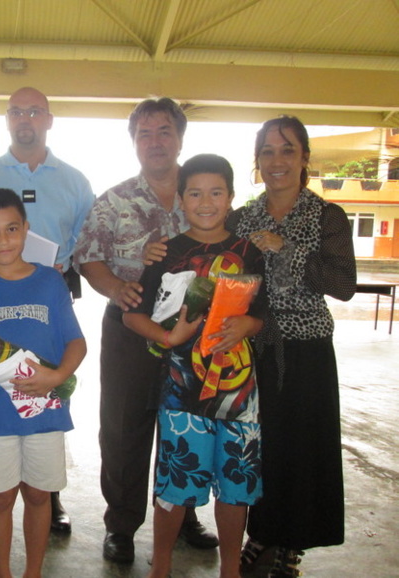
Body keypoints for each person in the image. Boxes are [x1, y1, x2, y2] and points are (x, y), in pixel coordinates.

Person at [73, 97, 219, 564]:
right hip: (131, 331)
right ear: (134, 141)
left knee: (189, 426)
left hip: (194, 332)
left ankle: (184, 515)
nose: (155, 142)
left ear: (179, 138)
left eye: (164, 132)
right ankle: (122, 525)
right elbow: (88, 257)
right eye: (145, 133)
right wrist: (116, 286)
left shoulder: (203, 196)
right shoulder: (113, 200)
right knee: (123, 429)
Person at [123, 154, 267, 578]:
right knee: (174, 485)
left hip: (240, 393)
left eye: (216, 192)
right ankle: (161, 565)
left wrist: (250, 323)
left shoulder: (248, 252)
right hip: (181, 392)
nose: (206, 202)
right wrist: (168, 338)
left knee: (235, 485)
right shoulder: (166, 253)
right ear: (181, 200)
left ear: (232, 197)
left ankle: (230, 569)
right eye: (196, 193)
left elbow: (267, 312)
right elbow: (130, 315)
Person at [0, 86, 95, 535]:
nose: (26, 118)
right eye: (17, 111)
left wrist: (59, 267)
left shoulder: (75, 180)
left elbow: (83, 237)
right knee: (0, 390)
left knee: (45, 394)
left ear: (49, 119)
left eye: (35, 111)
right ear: (6, 119)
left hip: (50, 292)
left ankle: (49, 498)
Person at [231, 116, 356, 577]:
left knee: (303, 448)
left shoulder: (327, 215)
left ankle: (292, 542)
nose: (277, 160)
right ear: (257, 162)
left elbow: (343, 283)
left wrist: (288, 248)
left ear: (305, 157)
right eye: (267, 151)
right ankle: (262, 532)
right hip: (253, 347)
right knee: (261, 446)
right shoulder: (242, 217)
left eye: (287, 149)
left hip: (306, 351)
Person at [0, 188, 87, 577]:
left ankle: (32, 571)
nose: (3, 240)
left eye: (12, 229)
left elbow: (76, 341)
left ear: (26, 229)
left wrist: (58, 375)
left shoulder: (49, 282)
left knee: (38, 494)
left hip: (46, 411)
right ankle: (3, 573)